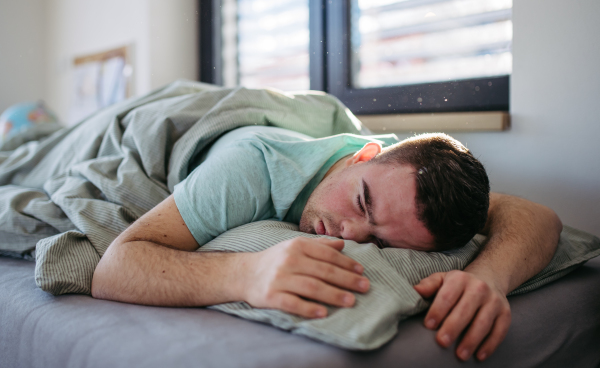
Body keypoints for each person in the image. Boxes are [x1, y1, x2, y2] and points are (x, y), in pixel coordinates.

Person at [91, 126, 562, 362]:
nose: (351, 234)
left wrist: (488, 276)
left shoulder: (406, 182)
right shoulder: (251, 170)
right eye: (362, 203)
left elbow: (537, 216)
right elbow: (113, 269)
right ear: (364, 154)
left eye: (378, 240)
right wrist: (244, 273)